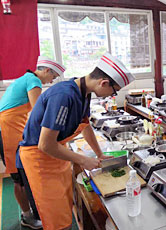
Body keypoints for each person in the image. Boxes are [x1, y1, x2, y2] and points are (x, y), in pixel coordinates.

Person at [19, 52, 135, 230]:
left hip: (57, 153)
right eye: (114, 90)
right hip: (40, 159)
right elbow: (45, 144)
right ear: (104, 82)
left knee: (65, 205)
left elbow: (85, 125)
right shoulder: (64, 95)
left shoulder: (83, 91)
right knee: (56, 218)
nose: (112, 95)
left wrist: (99, 154)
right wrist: (83, 160)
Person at [0, 56, 65, 229]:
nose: (52, 81)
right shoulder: (33, 80)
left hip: (11, 127)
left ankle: (28, 213)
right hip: (7, 131)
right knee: (19, 177)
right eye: (54, 76)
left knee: (19, 176)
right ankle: (27, 217)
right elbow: (39, 111)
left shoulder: (25, 78)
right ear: (46, 71)